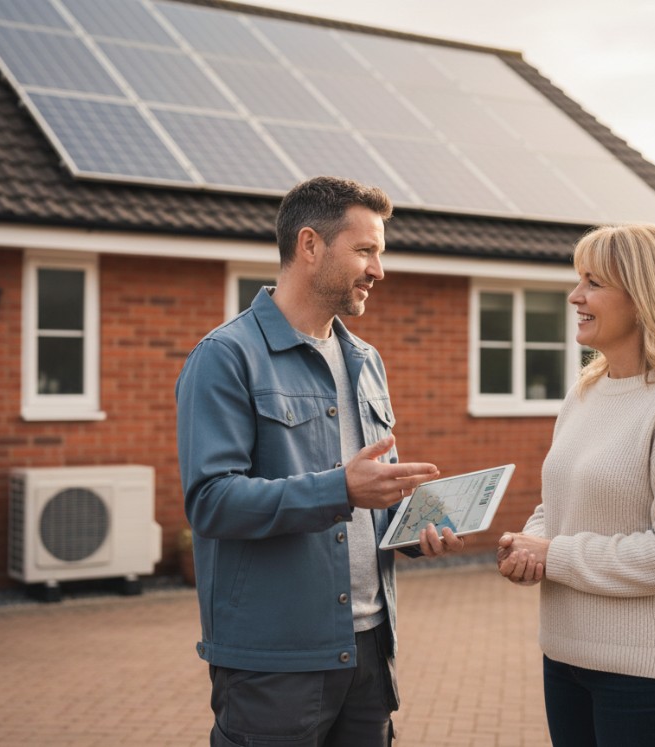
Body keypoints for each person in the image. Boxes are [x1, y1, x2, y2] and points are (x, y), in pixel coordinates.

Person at [175, 175, 465, 747]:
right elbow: (211, 502)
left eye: (379, 252)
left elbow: (372, 493)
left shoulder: (366, 361)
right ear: (310, 246)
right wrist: (342, 490)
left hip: (370, 648)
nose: (378, 270)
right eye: (365, 250)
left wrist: (413, 529)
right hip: (274, 661)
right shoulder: (226, 357)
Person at [496, 224, 655, 747]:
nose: (574, 295)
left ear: (644, 297)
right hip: (563, 653)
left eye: (593, 282)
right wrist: (530, 546)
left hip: (643, 672)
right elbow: (561, 497)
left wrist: (554, 555)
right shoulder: (585, 390)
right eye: (577, 279)